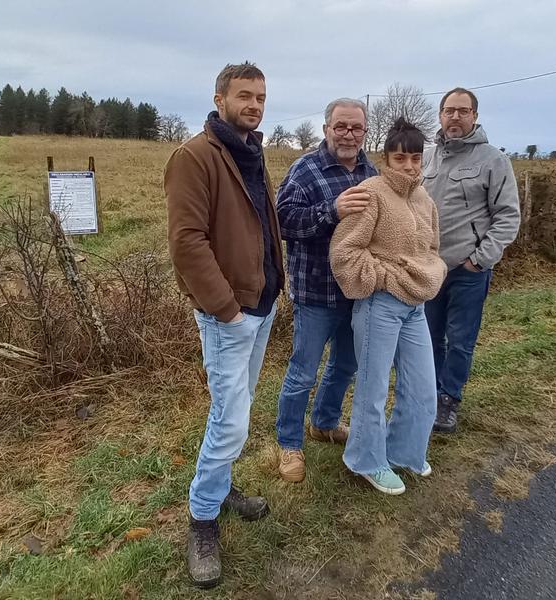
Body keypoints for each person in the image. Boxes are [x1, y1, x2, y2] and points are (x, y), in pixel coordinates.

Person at [164, 61, 284, 588]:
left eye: (260, 97)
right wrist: (226, 310)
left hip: (262, 305)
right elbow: (186, 242)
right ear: (219, 99)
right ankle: (202, 520)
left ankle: (222, 487)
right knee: (229, 419)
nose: (254, 105)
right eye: (244, 95)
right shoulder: (194, 156)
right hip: (228, 314)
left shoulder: (251, 150)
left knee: (238, 407)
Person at [329, 118, 446, 495]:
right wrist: (383, 277)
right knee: (373, 389)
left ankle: (402, 451)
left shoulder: (424, 199)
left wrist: (432, 272)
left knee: (423, 387)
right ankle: (365, 460)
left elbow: (432, 249)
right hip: (379, 305)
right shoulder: (371, 193)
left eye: (415, 158)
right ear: (386, 158)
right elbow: (344, 252)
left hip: (416, 307)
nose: (409, 166)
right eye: (400, 158)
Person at [273, 98, 377, 483]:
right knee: (303, 372)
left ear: (365, 132)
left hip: (358, 293)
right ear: (326, 129)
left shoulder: (371, 172)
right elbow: (283, 222)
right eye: (341, 126)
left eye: (356, 128)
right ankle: (289, 443)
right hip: (316, 293)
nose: (349, 134)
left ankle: (325, 422)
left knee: (345, 365)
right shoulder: (304, 170)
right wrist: (331, 211)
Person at [422, 87, 521, 434]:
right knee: (429, 337)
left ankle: (449, 399)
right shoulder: (427, 157)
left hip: (468, 269)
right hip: (429, 269)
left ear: (475, 117)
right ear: (440, 115)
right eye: (449, 110)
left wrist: (480, 260)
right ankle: (429, 396)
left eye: (463, 111)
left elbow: (507, 216)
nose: (455, 117)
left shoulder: (493, 160)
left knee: (460, 339)